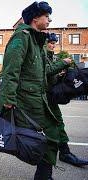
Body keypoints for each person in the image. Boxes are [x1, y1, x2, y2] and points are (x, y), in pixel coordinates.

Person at [0, 2, 61, 179]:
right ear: (35, 18)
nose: (49, 20)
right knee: (2, 134)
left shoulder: (37, 41)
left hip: (37, 100)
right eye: (47, 16)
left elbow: (43, 72)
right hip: (22, 101)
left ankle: (44, 175)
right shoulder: (22, 37)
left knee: (49, 136)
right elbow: (10, 71)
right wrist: (8, 99)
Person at [46, 33, 88, 167]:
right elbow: (44, 72)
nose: (53, 45)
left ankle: (64, 153)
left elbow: (49, 75)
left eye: (54, 43)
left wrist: (59, 74)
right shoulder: (41, 55)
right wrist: (62, 63)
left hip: (49, 96)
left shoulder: (50, 56)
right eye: (50, 43)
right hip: (40, 96)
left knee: (58, 123)